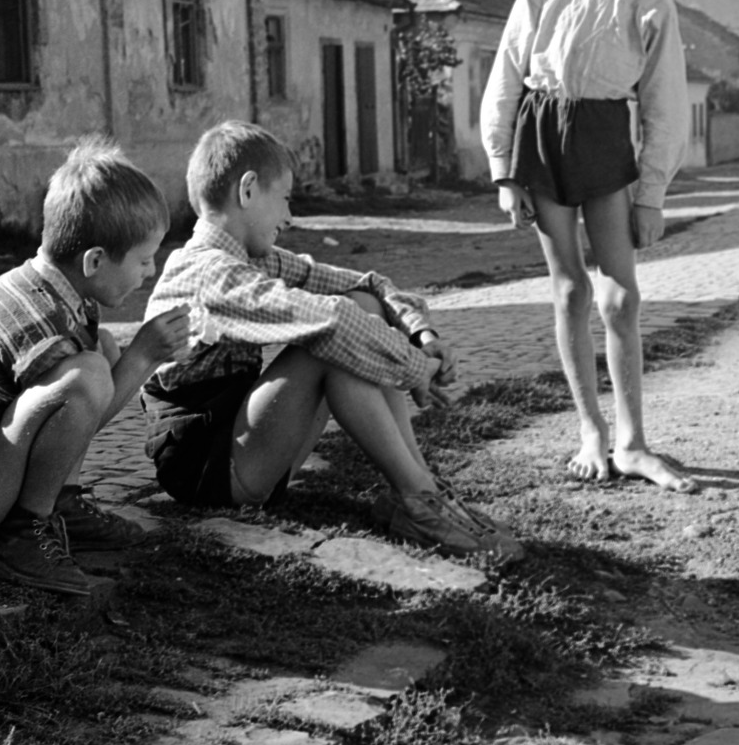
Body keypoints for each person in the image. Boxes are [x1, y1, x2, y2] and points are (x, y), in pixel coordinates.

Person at [140, 120, 522, 564]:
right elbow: (332, 322)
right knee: (331, 339)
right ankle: (418, 497)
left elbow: (369, 285)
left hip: (245, 450)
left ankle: (420, 490)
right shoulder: (209, 273)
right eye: (284, 199)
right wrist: (415, 370)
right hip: (207, 471)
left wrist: (422, 334)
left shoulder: (254, 258)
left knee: (359, 304)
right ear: (247, 191)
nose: (289, 217)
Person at [480, 0, 694, 492]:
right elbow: (506, 77)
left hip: (605, 140)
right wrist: (503, 168)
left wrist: (651, 193)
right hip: (541, 137)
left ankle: (632, 441)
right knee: (570, 288)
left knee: (620, 295)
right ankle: (591, 432)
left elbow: (665, 101)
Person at [0, 138, 192, 596]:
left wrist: (131, 356)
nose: (150, 272)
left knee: (102, 351)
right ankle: (22, 534)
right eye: (142, 259)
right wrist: (146, 356)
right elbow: (83, 405)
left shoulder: (61, 294)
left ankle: (62, 504)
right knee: (89, 374)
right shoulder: (41, 316)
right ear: (94, 260)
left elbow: (73, 415)